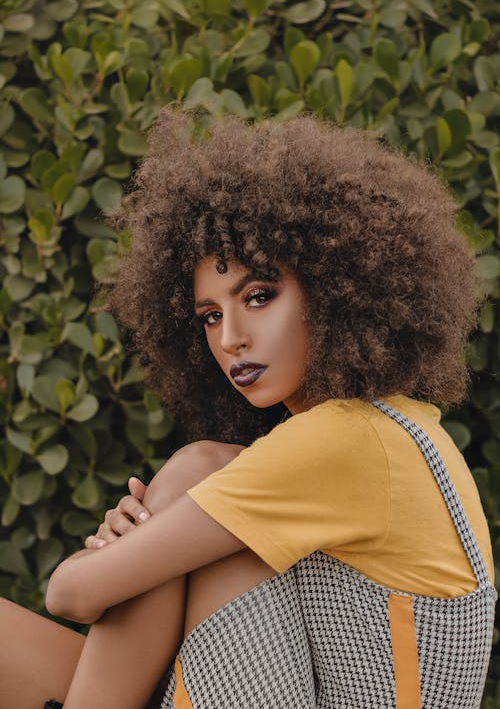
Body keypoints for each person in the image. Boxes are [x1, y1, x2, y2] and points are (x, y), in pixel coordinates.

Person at [0, 110, 496, 709]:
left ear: (336, 287)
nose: (231, 337)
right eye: (210, 315)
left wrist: (112, 551)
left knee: (197, 472)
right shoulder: (395, 428)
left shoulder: (345, 442)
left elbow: (70, 596)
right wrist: (135, 546)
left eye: (259, 296)